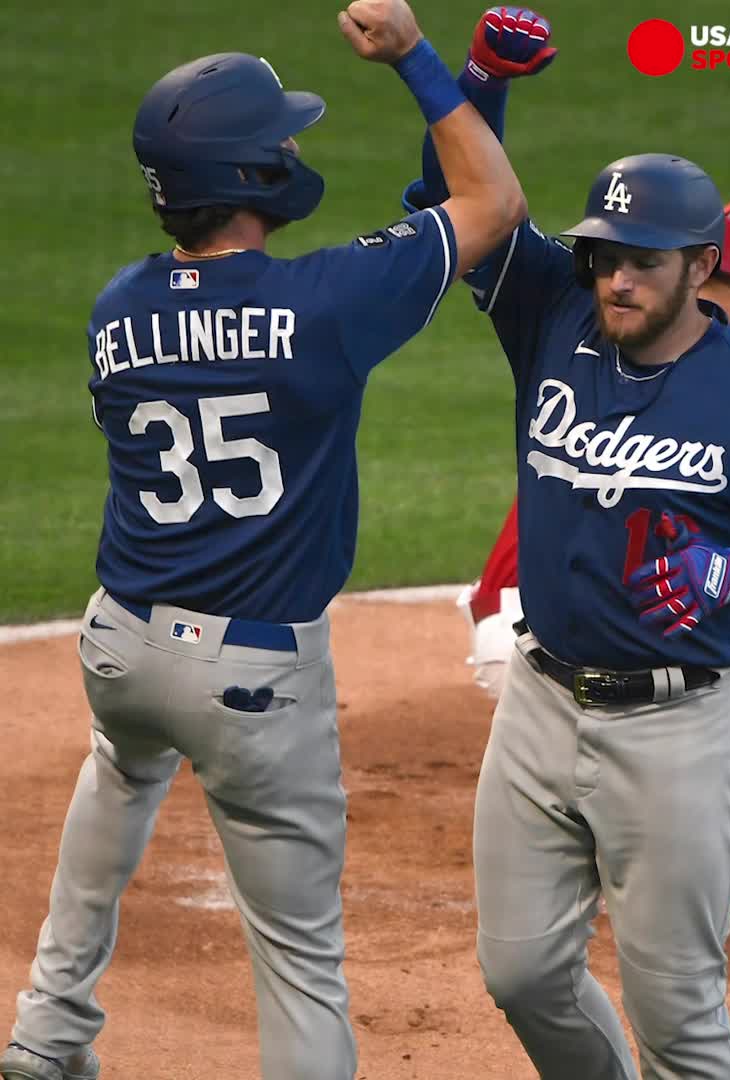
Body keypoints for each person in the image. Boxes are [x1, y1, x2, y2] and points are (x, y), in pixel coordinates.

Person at [0, 4, 528, 1080]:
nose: (295, 152)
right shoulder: (327, 302)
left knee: (121, 768)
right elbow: (496, 203)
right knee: (298, 957)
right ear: (248, 178)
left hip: (120, 647)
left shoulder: (116, 309)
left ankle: (46, 1037)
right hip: (251, 679)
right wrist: (421, 60)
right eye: (280, 143)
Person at [406, 8, 730, 1078]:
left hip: (677, 731)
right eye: (603, 254)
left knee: (682, 1025)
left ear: (700, 267)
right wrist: (472, 80)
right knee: (520, 973)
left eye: (641, 262)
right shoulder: (553, 316)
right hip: (538, 701)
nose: (615, 277)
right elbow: (454, 207)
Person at [457, 189, 730, 771]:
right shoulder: (727, 390)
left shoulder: (626, 352)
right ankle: (687, 777)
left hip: (533, 624)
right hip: (570, 635)